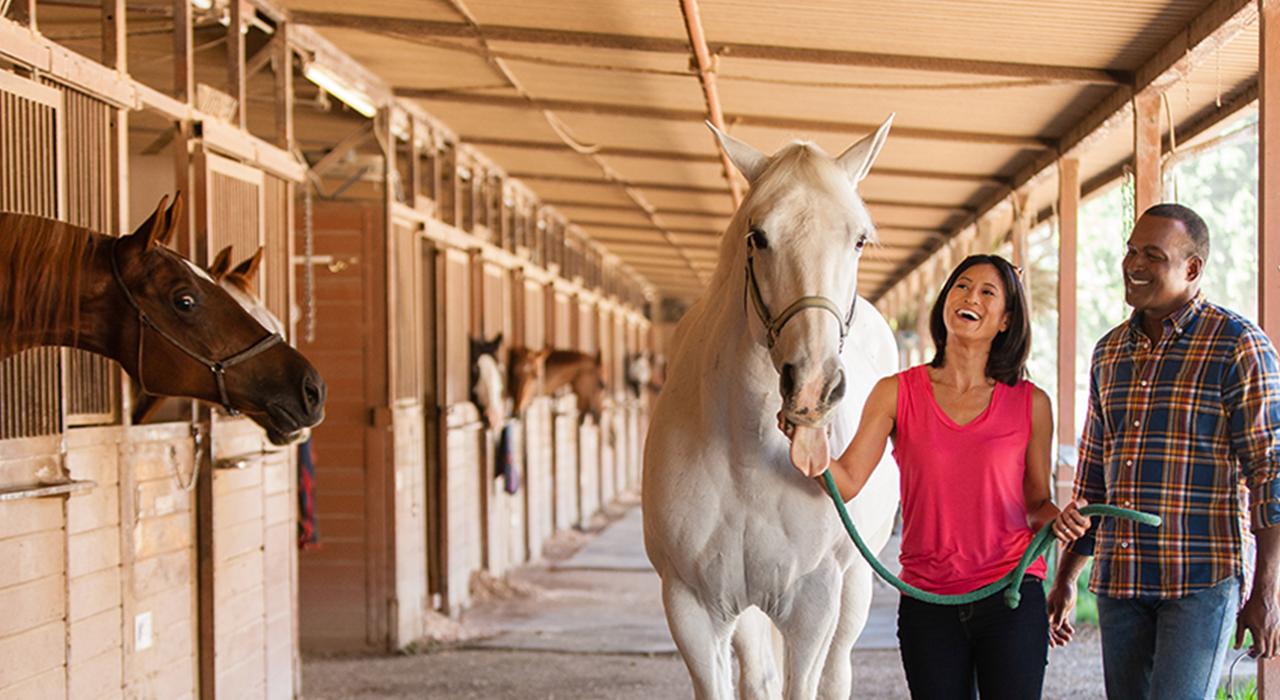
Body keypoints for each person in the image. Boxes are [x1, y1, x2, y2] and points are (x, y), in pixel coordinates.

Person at [785, 254, 1076, 699]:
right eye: (961, 286)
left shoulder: (1031, 403)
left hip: (1011, 597)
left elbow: (1037, 501)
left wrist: (1058, 520)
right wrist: (809, 445)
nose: (969, 297)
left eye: (986, 292)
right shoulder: (896, 393)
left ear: (1005, 320)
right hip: (928, 601)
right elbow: (846, 481)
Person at [1049, 203, 1280, 700]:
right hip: (1122, 577)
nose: (1133, 264)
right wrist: (1067, 576)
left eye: (1153, 255)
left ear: (1192, 269)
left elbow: (1270, 472)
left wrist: (1267, 588)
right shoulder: (1109, 352)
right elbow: (1093, 476)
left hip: (1200, 578)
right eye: (1131, 251)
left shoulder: (1238, 346)